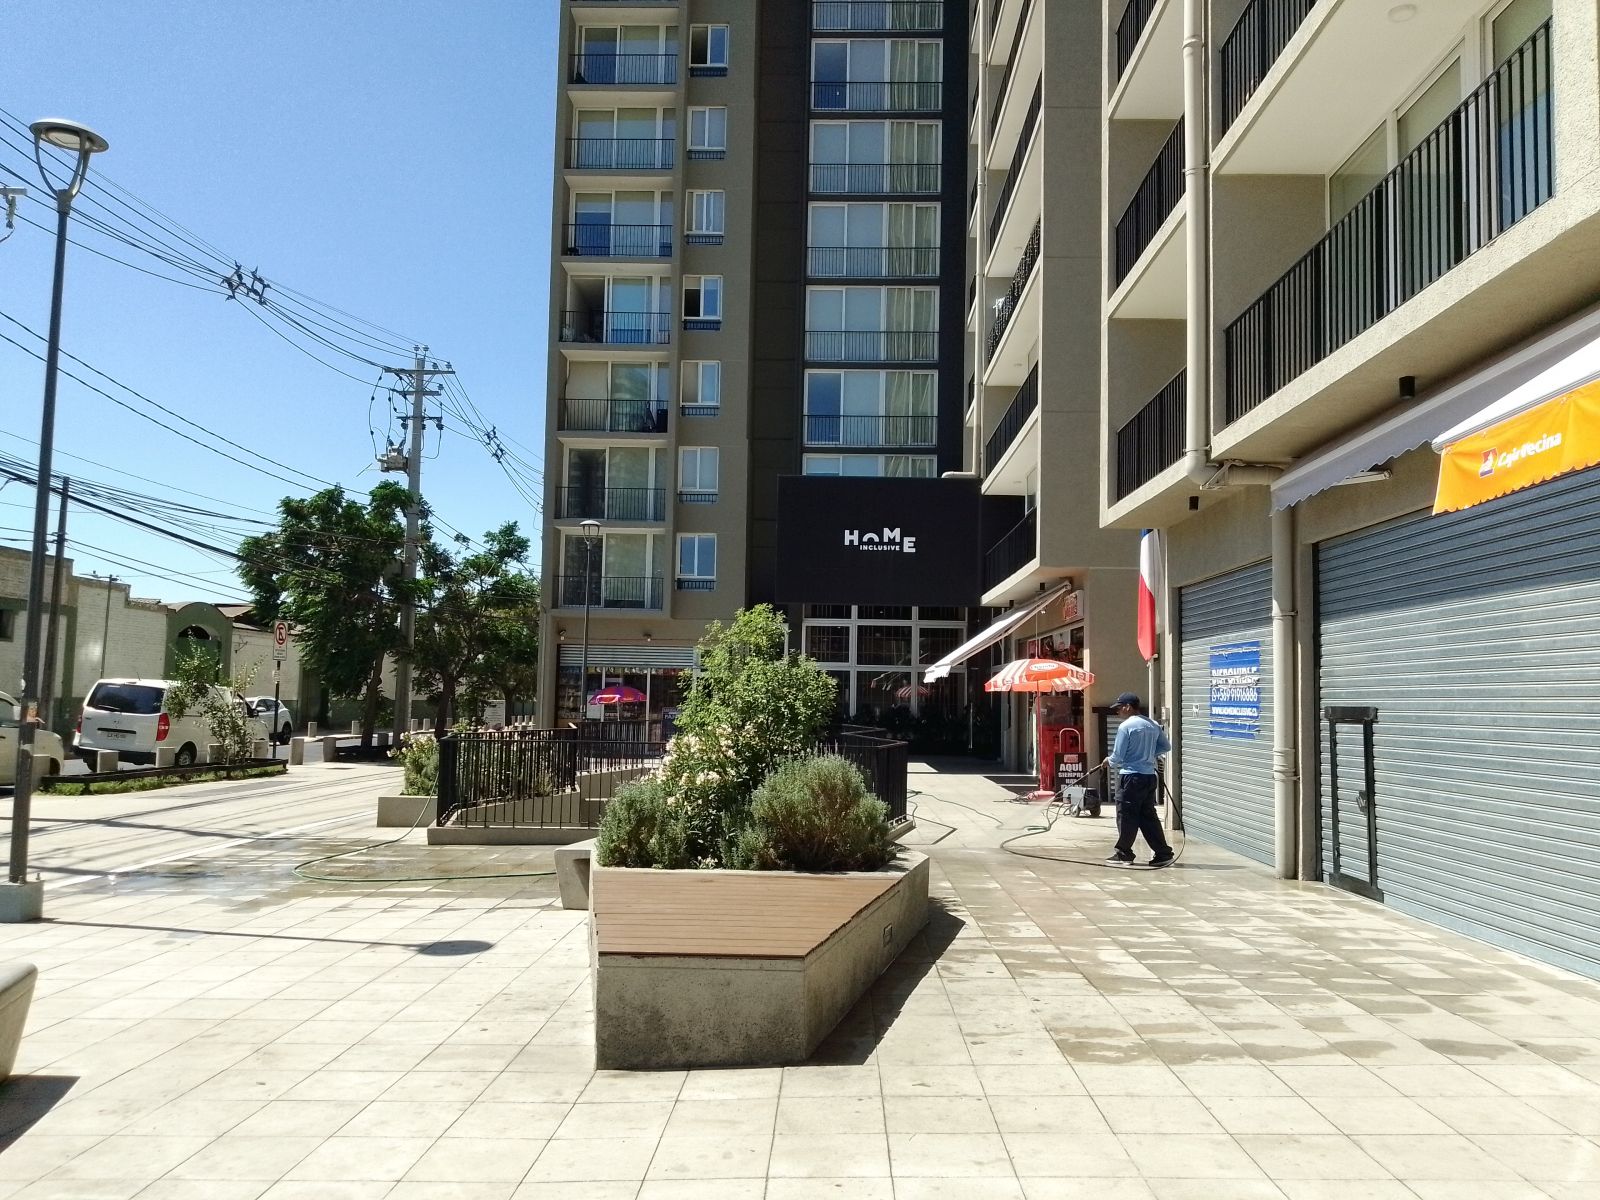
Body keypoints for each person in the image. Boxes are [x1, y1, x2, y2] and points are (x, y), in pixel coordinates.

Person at [1096, 692, 1174, 867]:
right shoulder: (1153, 724)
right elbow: (1166, 746)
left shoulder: (1126, 727)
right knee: (1148, 817)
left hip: (1130, 777)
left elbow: (1117, 756)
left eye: (1119, 708)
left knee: (1126, 815)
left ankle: (1124, 854)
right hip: (1149, 777)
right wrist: (1148, 755)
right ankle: (1163, 854)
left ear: (1128, 707)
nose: (1117, 712)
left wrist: (1108, 761)